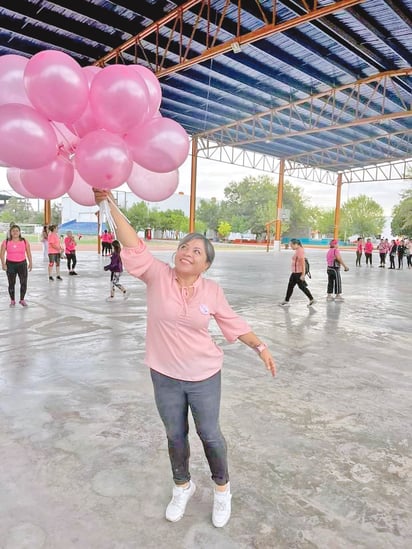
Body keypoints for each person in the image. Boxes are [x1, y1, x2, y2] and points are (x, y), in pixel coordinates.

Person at [93, 188, 276, 528]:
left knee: (209, 434)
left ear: (205, 264)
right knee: (175, 435)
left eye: (196, 251)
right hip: (164, 375)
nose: (187, 252)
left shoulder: (212, 291)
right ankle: (183, 487)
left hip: (204, 375)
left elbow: (233, 323)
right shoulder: (157, 276)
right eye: (184, 247)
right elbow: (133, 244)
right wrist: (109, 203)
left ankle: (223, 492)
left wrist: (261, 348)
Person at [1, 224, 32, 307]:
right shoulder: (6, 241)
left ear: (19, 232)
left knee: (23, 282)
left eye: (17, 231)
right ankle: (12, 300)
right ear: (10, 232)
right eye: (13, 231)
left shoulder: (24, 241)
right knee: (11, 283)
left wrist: (30, 263)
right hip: (10, 264)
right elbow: (2, 253)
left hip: (22, 264)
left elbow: (28, 252)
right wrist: (3, 264)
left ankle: (22, 299)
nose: (15, 232)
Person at [279, 238, 315, 307]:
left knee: (301, 287)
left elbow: (303, 264)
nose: (290, 246)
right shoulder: (298, 250)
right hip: (295, 272)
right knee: (291, 286)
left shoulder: (300, 251)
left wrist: (303, 274)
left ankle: (312, 299)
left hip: (298, 273)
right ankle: (286, 300)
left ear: (296, 244)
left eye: (291, 245)